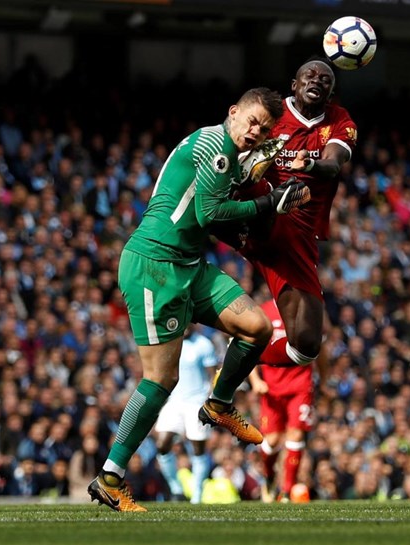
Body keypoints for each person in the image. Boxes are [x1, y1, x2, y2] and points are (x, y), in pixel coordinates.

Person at [87, 87, 310, 513]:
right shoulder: (215, 146)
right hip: (154, 264)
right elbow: (210, 214)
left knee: (256, 328)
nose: (255, 130)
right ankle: (110, 477)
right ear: (233, 112)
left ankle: (219, 403)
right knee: (160, 380)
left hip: (189, 263)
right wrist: (269, 203)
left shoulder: (230, 153)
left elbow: (218, 203)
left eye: (263, 128)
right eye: (251, 121)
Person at [240, 57, 357, 371]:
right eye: (310, 75)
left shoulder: (339, 120)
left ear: (330, 93)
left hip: (298, 237)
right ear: (294, 85)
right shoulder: (272, 115)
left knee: (306, 345)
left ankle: (241, 360)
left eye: (325, 79)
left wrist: (309, 164)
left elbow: (333, 164)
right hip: (259, 216)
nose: (317, 80)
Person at [248, 299, 318, 502]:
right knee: (271, 442)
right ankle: (269, 476)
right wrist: (255, 380)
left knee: (295, 436)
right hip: (271, 389)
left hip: (300, 386)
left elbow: (319, 347)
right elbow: (247, 347)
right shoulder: (263, 312)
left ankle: (287, 491)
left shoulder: (308, 311)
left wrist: (324, 375)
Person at [154, 325, 218, 504]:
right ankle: (176, 489)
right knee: (162, 445)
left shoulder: (204, 344)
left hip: (196, 403)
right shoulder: (171, 342)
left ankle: (197, 494)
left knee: (198, 449)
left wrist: (211, 402)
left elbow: (213, 376)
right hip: (174, 401)